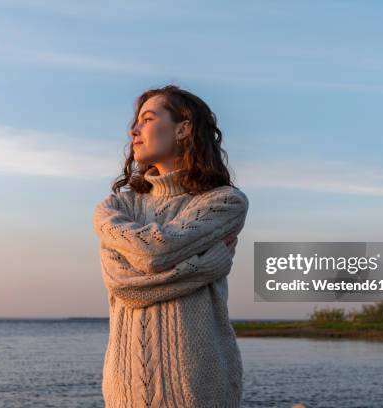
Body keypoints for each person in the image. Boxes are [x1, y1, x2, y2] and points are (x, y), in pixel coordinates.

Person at [93, 84, 249, 408]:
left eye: (147, 119)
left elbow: (156, 253)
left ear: (183, 129)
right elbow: (124, 282)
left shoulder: (224, 202)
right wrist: (209, 263)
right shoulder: (116, 208)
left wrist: (161, 256)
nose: (133, 130)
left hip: (200, 390)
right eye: (135, 122)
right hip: (125, 391)